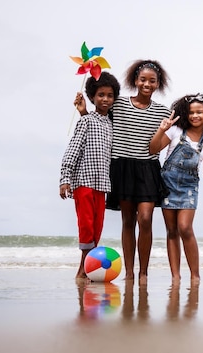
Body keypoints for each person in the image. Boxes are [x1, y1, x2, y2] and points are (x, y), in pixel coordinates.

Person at [75, 60, 171, 284]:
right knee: (128, 221)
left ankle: (143, 272)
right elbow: (98, 126)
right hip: (121, 167)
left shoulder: (162, 112)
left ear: (158, 84)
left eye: (152, 80)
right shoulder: (117, 104)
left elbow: (173, 137)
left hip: (147, 169)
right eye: (143, 79)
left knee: (145, 219)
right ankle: (129, 272)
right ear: (135, 80)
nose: (147, 84)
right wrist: (83, 112)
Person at [149, 93, 203, 285]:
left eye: (199, 112)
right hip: (167, 185)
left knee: (185, 228)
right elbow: (153, 148)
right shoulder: (175, 131)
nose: (195, 116)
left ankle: (195, 275)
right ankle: (175, 276)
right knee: (172, 231)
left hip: (189, 188)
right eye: (191, 112)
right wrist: (161, 129)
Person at [60, 71, 121, 280]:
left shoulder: (111, 124)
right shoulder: (86, 121)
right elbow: (73, 150)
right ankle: (83, 268)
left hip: (102, 184)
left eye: (110, 95)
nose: (105, 99)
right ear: (92, 96)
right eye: (101, 94)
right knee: (86, 225)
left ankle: (87, 267)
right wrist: (65, 179)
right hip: (83, 182)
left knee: (97, 227)